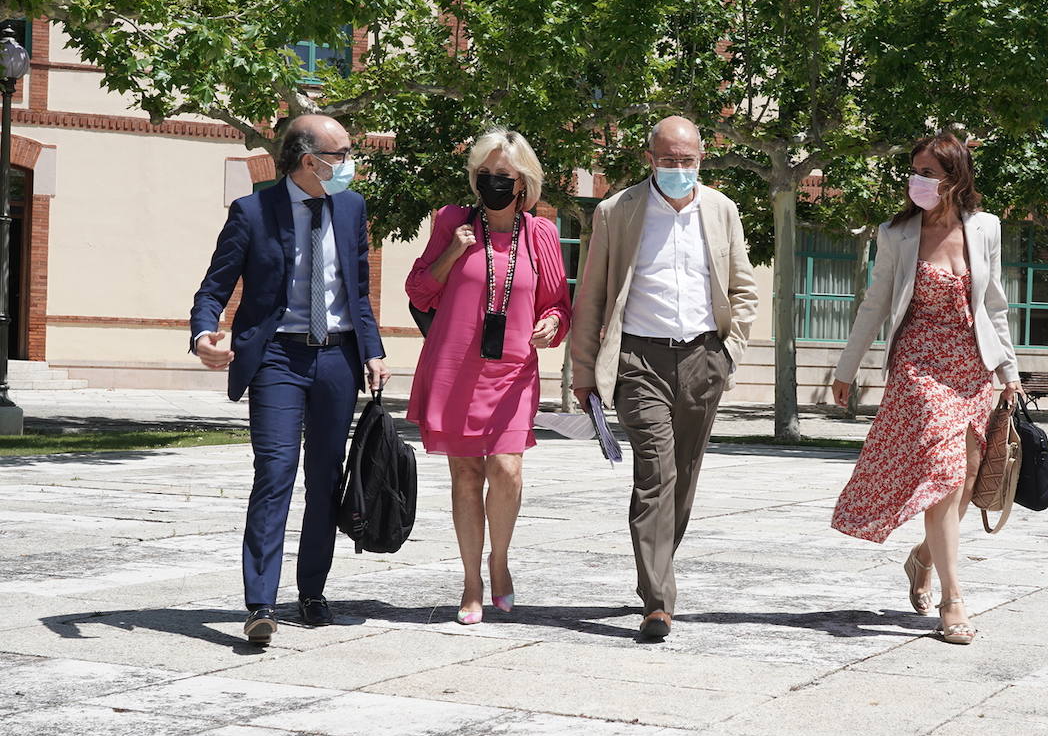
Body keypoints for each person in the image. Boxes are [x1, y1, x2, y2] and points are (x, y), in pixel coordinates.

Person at [191, 114, 389, 644]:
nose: (350, 162)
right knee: (275, 472)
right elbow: (213, 289)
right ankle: (261, 603)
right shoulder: (252, 212)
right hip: (277, 357)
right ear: (310, 161)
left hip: (337, 360)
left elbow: (359, 292)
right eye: (343, 153)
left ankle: (312, 592)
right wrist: (203, 334)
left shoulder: (350, 208)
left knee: (325, 478)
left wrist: (372, 350)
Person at [829, 131, 1021, 645]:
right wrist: (847, 368)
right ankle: (953, 601)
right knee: (944, 474)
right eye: (914, 171)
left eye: (928, 173)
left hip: (973, 366)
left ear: (955, 177)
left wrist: (1009, 372)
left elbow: (994, 306)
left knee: (969, 473)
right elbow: (875, 303)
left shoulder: (985, 229)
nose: (918, 181)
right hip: (919, 363)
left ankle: (923, 557)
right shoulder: (896, 234)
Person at [570, 116, 758, 639]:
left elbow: (743, 289)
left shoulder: (721, 210)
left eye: (688, 160)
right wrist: (583, 372)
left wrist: (729, 352)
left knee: (685, 476)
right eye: (669, 160)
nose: (679, 169)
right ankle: (659, 599)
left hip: (703, 357)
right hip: (639, 360)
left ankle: (656, 569)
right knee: (655, 471)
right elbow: (592, 299)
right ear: (649, 159)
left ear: (702, 158)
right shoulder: (617, 212)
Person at [405, 129, 571, 625]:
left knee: (507, 469)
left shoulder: (540, 234)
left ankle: (499, 561)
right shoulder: (452, 222)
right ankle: (471, 581)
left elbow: (558, 304)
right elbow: (418, 290)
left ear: (524, 183)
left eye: (504, 176)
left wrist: (553, 324)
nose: (493, 183)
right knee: (465, 475)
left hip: (513, 371)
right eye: (485, 175)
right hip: (456, 368)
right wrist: (453, 252)